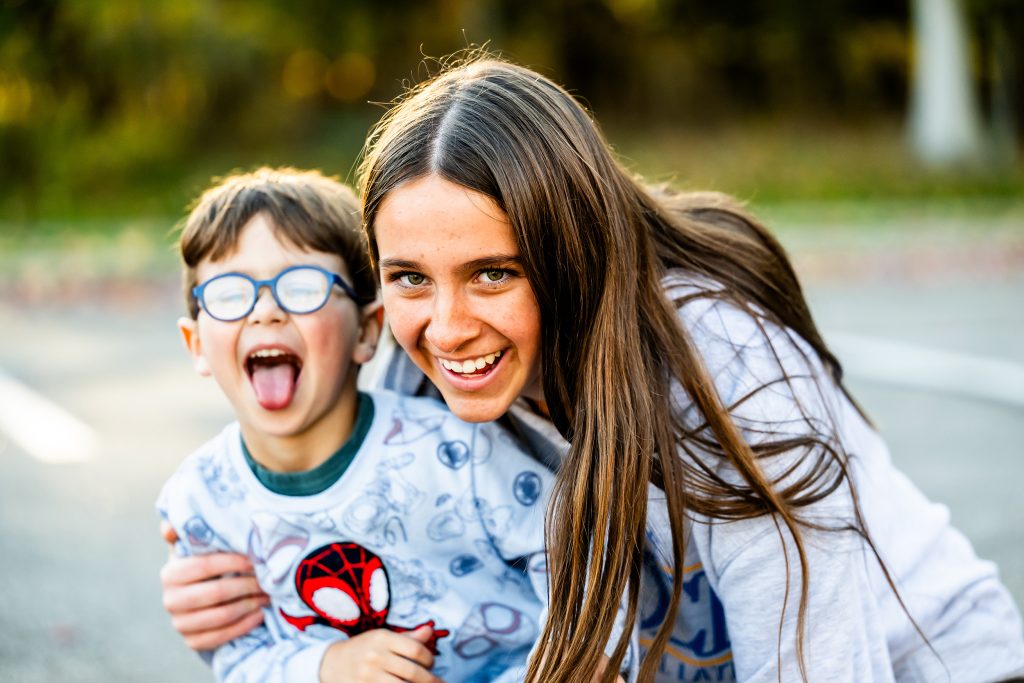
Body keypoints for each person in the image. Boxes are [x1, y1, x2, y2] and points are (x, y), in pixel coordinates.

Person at [161, 58, 1024, 682]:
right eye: (411, 276)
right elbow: (350, 527)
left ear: (572, 255)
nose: (448, 327)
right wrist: (228, 582)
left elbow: (814, 657)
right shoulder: (414, 369)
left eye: (495, 272)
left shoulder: (719, 364)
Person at [158, 166, 631, 683]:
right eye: (229, 294)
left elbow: (576, 558)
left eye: (302, 287)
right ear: (197, 344)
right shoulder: (202, 500)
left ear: (367, 330)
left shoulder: (455, 452)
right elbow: (237, 657)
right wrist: (324, 668)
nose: (265, 312)